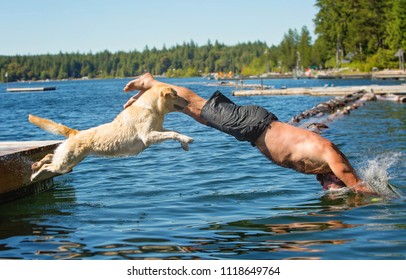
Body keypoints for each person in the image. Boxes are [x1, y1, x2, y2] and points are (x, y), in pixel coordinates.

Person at [123, 73, 375, 194]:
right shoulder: (334, 159)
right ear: (339, 176)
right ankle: (152, 83)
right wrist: (380, 201)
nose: (326, 187)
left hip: (253, 128)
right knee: (202, 107)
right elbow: (359, 187)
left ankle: (161, 98)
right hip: (256, 125)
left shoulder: (326, 164)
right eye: (331, 184)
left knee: (203, 116)